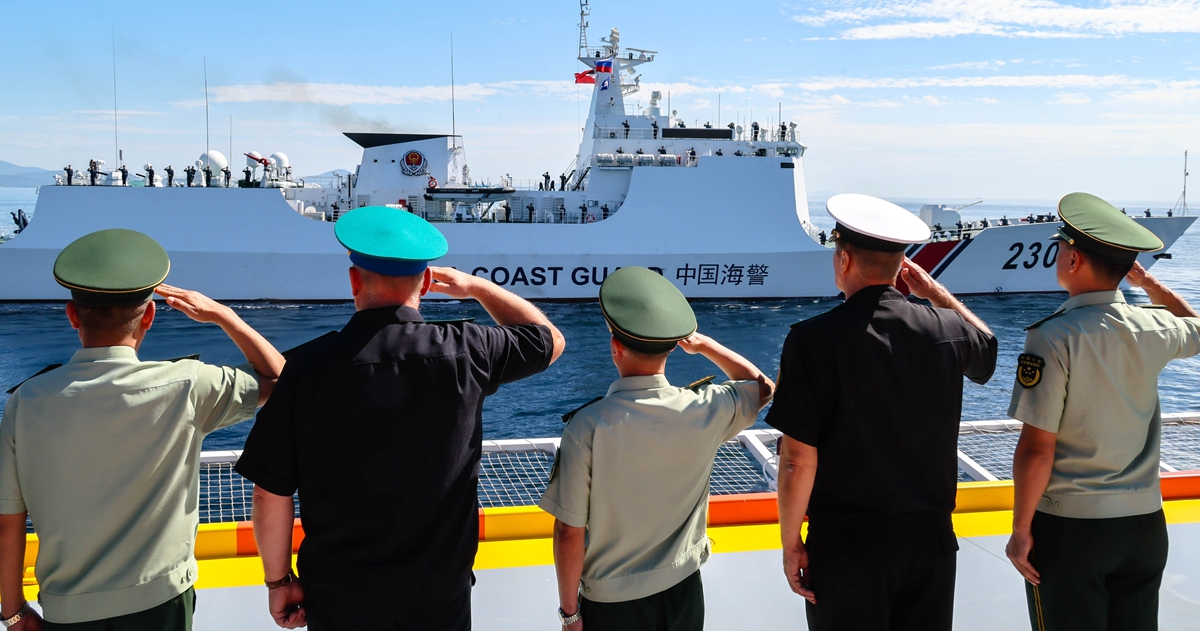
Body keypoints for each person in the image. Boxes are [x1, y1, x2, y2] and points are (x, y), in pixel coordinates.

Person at [236, 206, 564, 631]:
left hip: (339, 600)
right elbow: (549, 341)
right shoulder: (467, 349)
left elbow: (270, 493)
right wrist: (477, 288)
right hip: (440, 599)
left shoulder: (306, 368)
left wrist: (278, 581)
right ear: (426, 283)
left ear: (354, 280)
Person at [0, 229, 284, 630]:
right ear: (149, 316)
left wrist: (13, 613)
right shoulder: (188, 385)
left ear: (72, 315)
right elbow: (278, 378)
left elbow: (7, 521)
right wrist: (223, 314)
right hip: (162, 601)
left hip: (68, 610)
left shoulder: (25, 402)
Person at [768, 194, 997, 631]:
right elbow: (986, 348)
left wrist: (790, 542)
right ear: (902, 268)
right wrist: (936, 293)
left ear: (844, 259)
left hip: (846, 547)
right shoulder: (947, 329)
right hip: (930, 544)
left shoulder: (812, 341)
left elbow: (798, 459)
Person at [1004, 192, 1200, 631]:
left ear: (1074, 261)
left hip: (1072, 530)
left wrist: (1020, 532)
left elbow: (1037, 448)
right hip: (1145, 527)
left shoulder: (1054, 336)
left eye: (1061, 249)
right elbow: (1198, 331)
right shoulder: (1155, 325)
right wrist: (1155, 289)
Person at [540, 267, 773, 631]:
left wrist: (570, 614)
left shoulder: (589, 426)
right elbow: (761, 388)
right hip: (683, 589)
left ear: (616, 347)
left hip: (613, 604)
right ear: (673, 347)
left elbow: (569, 531)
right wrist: (705, 345)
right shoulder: (705, 407)